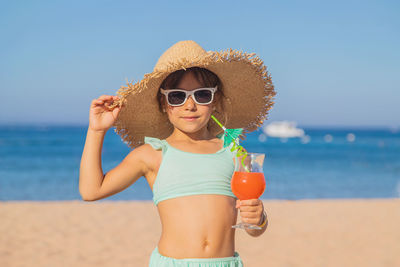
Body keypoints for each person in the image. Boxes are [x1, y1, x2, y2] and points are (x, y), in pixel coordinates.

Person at [79, 40, 276, 266]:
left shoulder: (233, 152)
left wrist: (258, 218)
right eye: (177, 96)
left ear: (216, 101)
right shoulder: (153, 154)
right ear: (163, 103)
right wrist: (96, 131)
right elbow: (91, 191)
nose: (189, 105)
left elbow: (254, 227)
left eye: (202, 95)